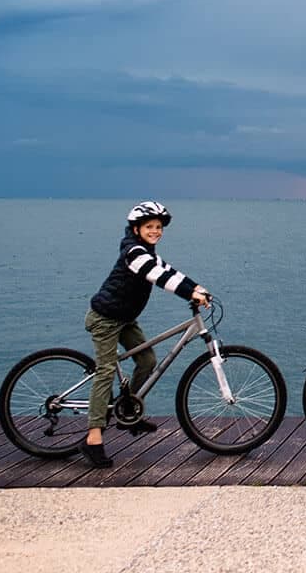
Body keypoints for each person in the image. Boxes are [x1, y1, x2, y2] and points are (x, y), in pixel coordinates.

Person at [81, 201, 211, 468]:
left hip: (125, 319)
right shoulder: (133, 253)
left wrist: (196, 285)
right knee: (106, 371)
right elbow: (157, 277)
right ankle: (93, 439)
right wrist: (190, 293)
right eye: (150, 227)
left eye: (159, 227)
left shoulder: (147, 251)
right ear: (136, 228)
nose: (155, 231)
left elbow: (169, 271)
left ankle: (128, 409)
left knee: (147, 361)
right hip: (105, 319)